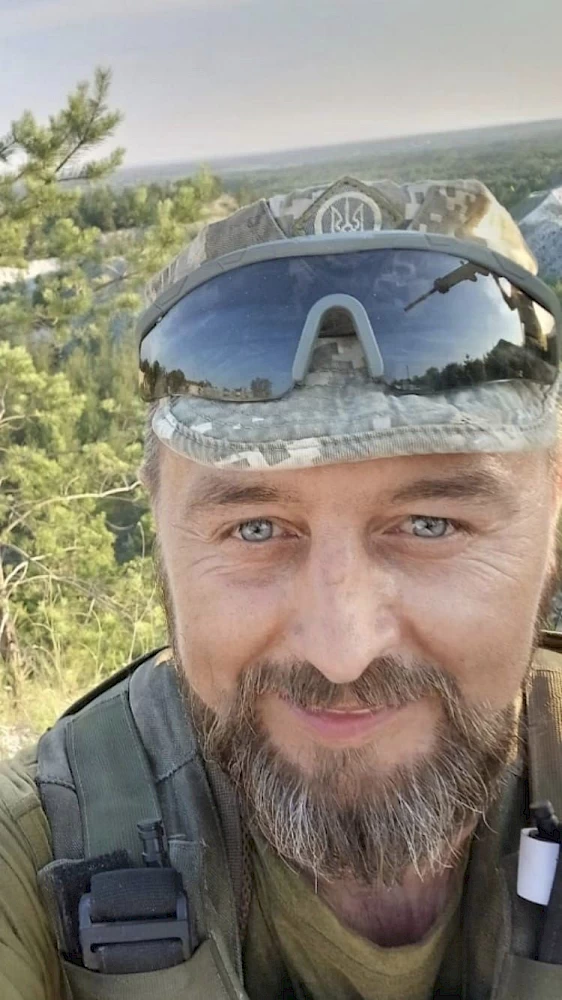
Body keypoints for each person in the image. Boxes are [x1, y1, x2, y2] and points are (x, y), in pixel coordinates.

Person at [1, 175, 562, 1000]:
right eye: (256, 529)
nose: (342, 651)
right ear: (158, 526)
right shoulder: (31, 857)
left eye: (430, 524)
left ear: (553, 513)